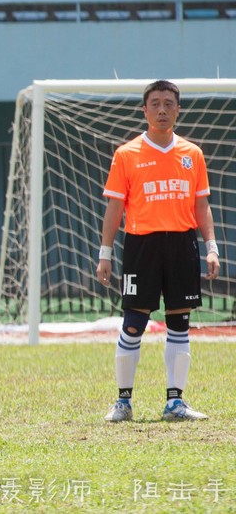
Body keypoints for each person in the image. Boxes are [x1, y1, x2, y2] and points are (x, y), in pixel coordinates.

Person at [96, 80, 219, 423]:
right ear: (144, 110)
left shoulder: (192, 154)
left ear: (178, 110)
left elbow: (202, 205)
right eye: (155, 104)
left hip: (182, 245)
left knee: (179, 322)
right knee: (134, 323)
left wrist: (211, 247)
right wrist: (105, 253)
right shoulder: (127, 154)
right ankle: (123, 403)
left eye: (168, 103)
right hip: (142, 246)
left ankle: (175, 403)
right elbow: (114, 208)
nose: (162, 110)